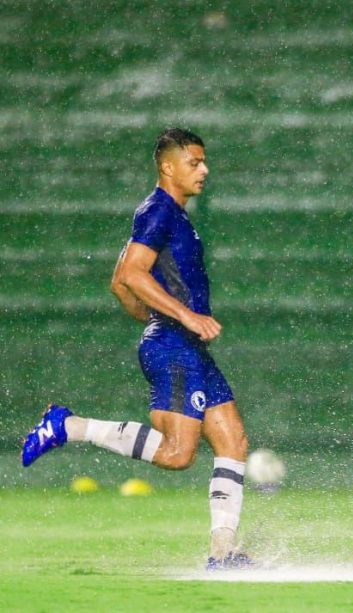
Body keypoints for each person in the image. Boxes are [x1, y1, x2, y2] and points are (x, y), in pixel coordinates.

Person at [21, 128, 251, 570]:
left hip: (184, 346)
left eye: (204, 161)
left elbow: (118, 282)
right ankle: (68, 426)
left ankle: (223, 555)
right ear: (168, 167)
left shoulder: (170, 214)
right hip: (175, 347)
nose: (204, 170)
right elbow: (130, 274)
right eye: (194, 162)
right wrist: (179, 319)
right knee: (177, 454)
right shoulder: (159, 210)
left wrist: (160, 321)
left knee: (233, 441)